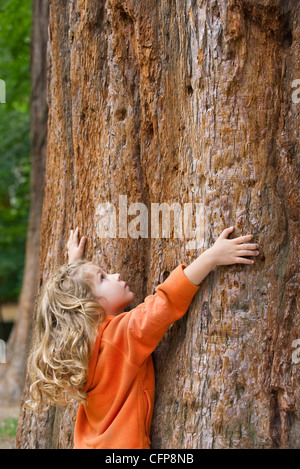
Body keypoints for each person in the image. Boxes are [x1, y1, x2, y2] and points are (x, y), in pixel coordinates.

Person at [25, 226, 259, 449]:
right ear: (89, 307)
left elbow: (72, 308)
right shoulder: (123, 335)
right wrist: (211, 257)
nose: (115, 275)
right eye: (104, 278)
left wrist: (74, 264)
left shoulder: (76, 350)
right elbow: (166, 302)